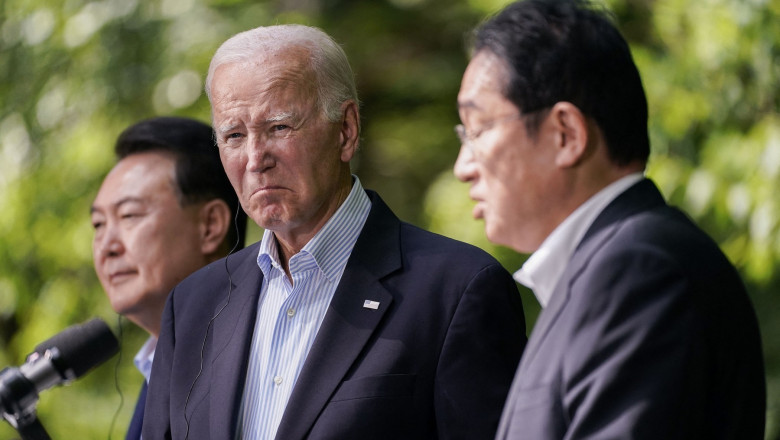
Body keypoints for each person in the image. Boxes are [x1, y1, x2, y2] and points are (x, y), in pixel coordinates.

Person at [142, 24, 527, 440]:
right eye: (234, 135)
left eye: (279, 127)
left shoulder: (457, 291)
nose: (255, 159)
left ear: (346, 130)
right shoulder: (192, 306)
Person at [453, 0, 766, 438]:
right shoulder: (608, 268)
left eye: (478, 128)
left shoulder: (640, 270)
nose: (462, 166)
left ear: (566, 134)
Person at [91, 116, 247, 440]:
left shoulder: (253, 359)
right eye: (98, 225)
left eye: (129, 215)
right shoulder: (160, 366)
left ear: (210, 226)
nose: (106, 247)